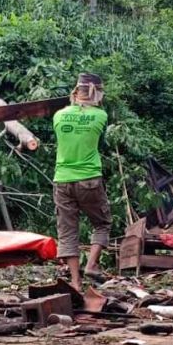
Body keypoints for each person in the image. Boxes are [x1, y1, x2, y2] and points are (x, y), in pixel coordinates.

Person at [53, 73, 112, 290]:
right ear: (97, 94)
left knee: (67, 231)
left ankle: (75, 282)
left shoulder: (59, 115)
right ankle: (92, 265)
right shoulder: (100, 116)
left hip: (62, 179)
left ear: (75, 92)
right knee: (102, 223)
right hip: (89, 179)